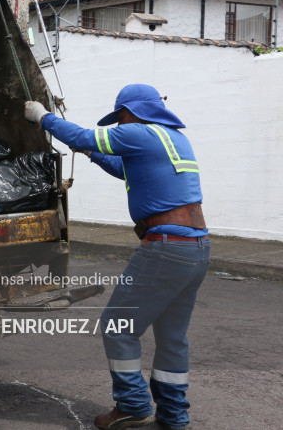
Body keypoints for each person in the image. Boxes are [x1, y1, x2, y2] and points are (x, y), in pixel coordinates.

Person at [25, 84, 209, 430]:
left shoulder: (139, 132)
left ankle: (133, 405)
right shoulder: (172, 138)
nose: (119, 124)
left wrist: (43, 117)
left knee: (117, 325)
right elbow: (125, 170)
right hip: (195, 248)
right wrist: (91, 153)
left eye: (121, 116)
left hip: (166, 248)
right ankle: (173, 415)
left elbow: (84, 135)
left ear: (135, 111)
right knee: (172, 337)